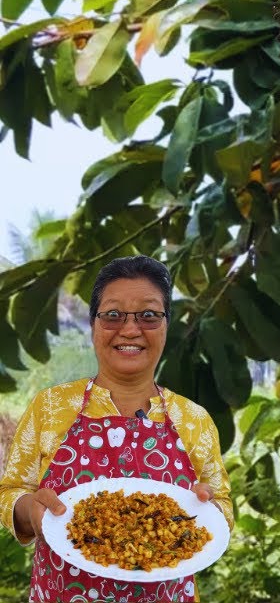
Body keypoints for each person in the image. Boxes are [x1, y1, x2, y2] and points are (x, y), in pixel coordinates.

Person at [0, 255, 233, 603]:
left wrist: (207, 508)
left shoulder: (193, 419)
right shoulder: (50, 406)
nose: (130, 330)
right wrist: (30, 510)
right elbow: (10, 492)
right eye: (113, 315)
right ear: (94, 324)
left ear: (166, 325)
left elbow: (223, 506)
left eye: (149, 315)